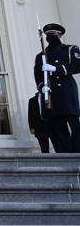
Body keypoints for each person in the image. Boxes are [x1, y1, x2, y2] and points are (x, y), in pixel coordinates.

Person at [33, 23, 80, 152]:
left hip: (67, 93)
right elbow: (37, 75)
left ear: (60, 35)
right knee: (57, 130)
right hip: (51, 95)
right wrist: (42, 87)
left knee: (75, 127)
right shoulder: (41, 56)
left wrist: (56, 69)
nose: (50, 37)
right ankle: (65, 155)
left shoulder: (70, 49)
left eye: (53, 34)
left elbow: (78, 65)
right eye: (48, 35)